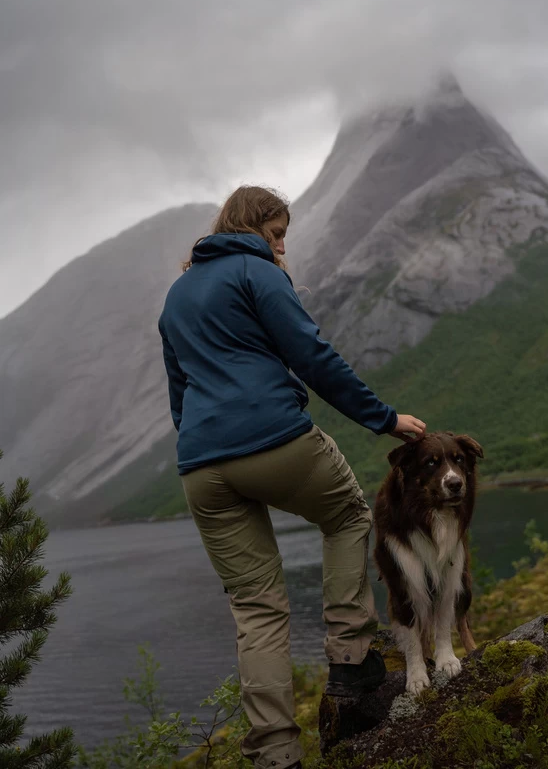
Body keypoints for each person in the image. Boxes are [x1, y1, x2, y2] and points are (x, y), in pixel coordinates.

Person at [158, 185, 426, 769]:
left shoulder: (176, 296)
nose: (282, 246)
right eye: (277, 233)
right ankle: (352, 659)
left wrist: (204, 446)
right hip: (275, 438)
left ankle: (276, 753)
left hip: (201, 466)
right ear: (252, 227)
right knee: (350, 514)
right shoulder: (258, 272)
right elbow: (312, 355)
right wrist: (384, 419)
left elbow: (180, 395)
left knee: (256, 608)